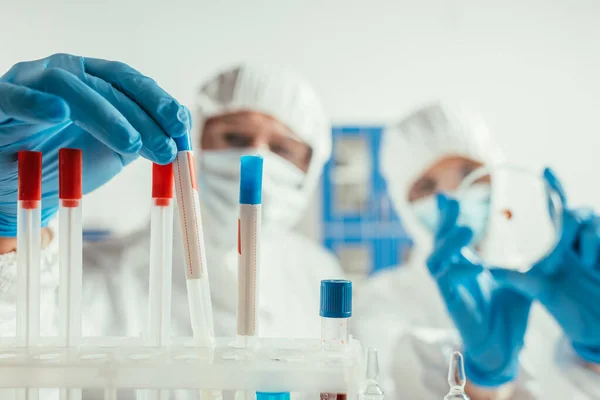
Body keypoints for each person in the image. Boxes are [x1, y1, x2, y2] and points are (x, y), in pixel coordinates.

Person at [0, 55, 343, 398]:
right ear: (198, 142)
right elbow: (21, 344)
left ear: (311, 168)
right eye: (235, 137)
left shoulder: (317, 272)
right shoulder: (104, 276)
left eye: (283, 148)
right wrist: (9, 230)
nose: (257, 155)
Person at [353, 102, 600, 399]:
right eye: (427, 185)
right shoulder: (379, 304)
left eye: (468, 173)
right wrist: (483, 381)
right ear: (402, 204)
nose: (453, 196)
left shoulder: (553, 285)